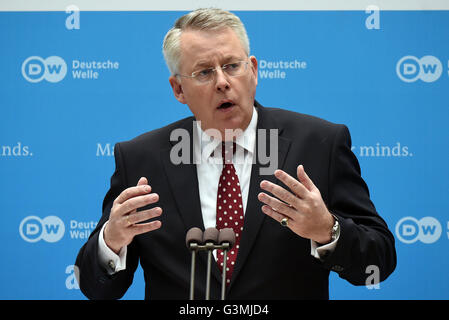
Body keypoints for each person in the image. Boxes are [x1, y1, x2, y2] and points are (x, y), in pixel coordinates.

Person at [75, 8, 396, 300]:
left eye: (232, 66)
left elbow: (378, 262)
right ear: (178, 89)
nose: (223, 82)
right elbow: (96, 287)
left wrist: (328, 230)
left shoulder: (319, 144)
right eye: (204, 72)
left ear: (253, 70)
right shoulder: (141, 159)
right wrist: (113, 240)